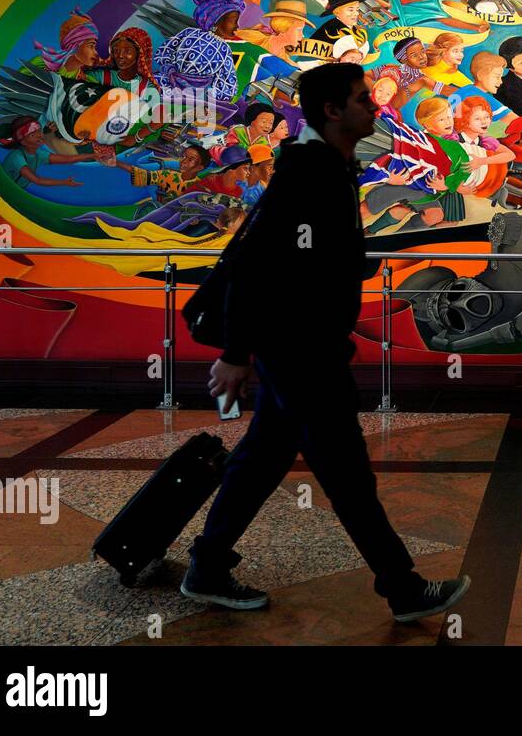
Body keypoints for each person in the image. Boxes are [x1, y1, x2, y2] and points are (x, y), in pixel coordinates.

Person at [191, 62, 471, 621]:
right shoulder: (308, 172)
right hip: (298, 350)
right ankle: (402, 587)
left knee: (262, 459)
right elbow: (255, 266)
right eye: (363, 99)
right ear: (332, 110)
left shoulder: (336, 167)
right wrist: (235, 355)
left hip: (305, 344)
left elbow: (313, 257)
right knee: (346, 471)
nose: (375, 106)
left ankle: (206, 566)